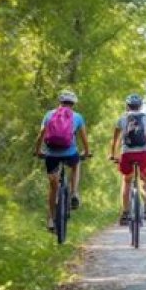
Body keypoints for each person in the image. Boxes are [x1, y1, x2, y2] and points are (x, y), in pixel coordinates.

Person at [35, 90, 91, 232]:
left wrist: (38, 150)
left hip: (51, 155)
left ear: (60, 102)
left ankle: (50, 220)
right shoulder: (77, 117)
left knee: (53, 187)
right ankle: (74, 193)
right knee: (76, 163)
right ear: (73, 104)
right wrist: (87, 152)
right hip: (69, 153)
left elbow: (41, 134)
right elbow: (84, 138)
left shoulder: (49, 115)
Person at [110, 94, 146, 225]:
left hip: (127, 154)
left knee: (126, 180)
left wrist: (113, 154)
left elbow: (115, 140)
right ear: (140, 106)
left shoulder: (122, 119)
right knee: (144, 178)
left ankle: (125, 213)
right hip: (144, 154)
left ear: (127, 106)